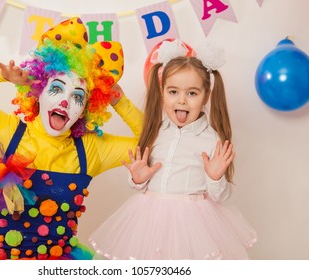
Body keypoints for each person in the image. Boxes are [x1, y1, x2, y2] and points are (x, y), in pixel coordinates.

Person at [0, 17, 142, 260]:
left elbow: (154, 143)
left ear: (86, 109)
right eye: (56, 89)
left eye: (78, 97)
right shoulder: (5, 130)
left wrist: (120, 101)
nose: (66, 101)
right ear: (38, 92)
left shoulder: (92, 150)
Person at [89, 39, 257, 260]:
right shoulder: (155, 131)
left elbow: (221, 196)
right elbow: (141, 184)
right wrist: (138, 180)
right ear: (162, 93)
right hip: (150, 220)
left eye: (192, 93)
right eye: (173, 92)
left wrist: (215, 177)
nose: (182, 101)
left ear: (206, 96)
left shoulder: (210, 139)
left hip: (193, 224)